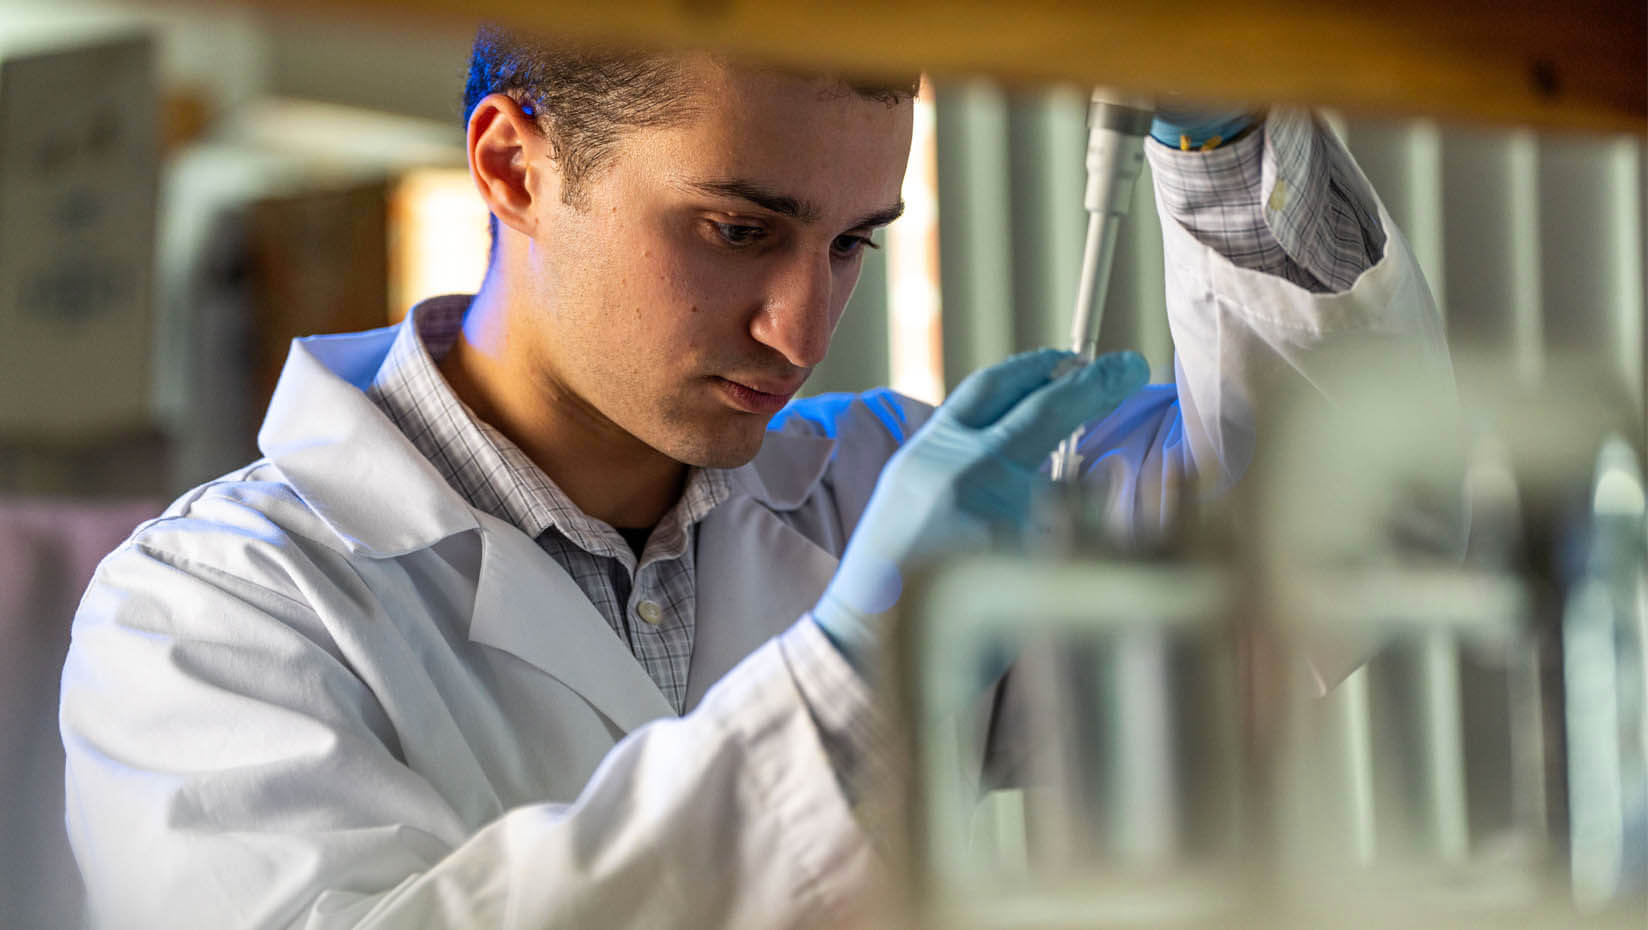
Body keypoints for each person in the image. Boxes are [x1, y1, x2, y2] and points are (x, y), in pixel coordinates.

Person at [59, 27, 1451, 930]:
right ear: (513, 165)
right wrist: (854, 668)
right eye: (737, 227)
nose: (801, 324)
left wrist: (1225, 138)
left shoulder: (884, 490)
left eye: (853, 243)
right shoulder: (208, 619)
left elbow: (1333, 529)